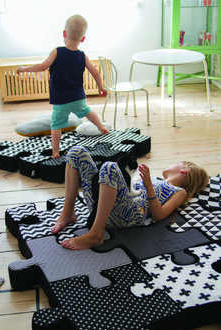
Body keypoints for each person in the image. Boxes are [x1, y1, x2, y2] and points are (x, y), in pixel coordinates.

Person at [52, 146, 209, 251]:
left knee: (109, 167)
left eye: (177, 163)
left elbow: (158, 215)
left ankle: (96, 234)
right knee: (76, 152)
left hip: (130, 215)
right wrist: (116, 176)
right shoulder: (154, 179)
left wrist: (148, 186)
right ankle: (68, 213)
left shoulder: (178, 191)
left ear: (184, 171)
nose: (172, 164)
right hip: (104, 207)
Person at [17, 14, 109, 158]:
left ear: (64, 33)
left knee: (56, 125)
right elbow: (95, 72)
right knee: (87, 111)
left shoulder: (56, 51)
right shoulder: (82, 55)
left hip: (60, 100)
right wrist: (101, 88)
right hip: (78, 97)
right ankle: (101, 127)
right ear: (83, 39)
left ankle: (55, 151)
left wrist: (23, 69)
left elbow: (42, 66)